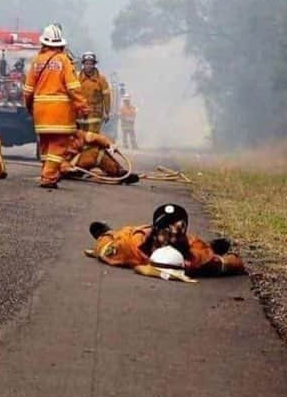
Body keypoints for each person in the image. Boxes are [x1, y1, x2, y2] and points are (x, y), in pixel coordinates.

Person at [85, 203, 247, 277]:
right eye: (166, 232)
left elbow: (232, 263)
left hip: (189, 250)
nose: (173, 237)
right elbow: (104, 249)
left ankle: (211, 244)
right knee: (109, 239)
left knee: (204, 248)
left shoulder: (192, 254)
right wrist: (105, 235)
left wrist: (218, 261)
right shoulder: (130, 247)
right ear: (156, 233)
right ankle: (108, 230)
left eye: (179, 231)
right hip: (128, 234)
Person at [22, 23, 90, 189]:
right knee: (58, 145)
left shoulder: (36, 61)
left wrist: (30, 108)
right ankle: (49, 177)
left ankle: (47, 171)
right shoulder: (63, 60)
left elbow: (27, 90)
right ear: (60, 44)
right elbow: (73, 88)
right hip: (60, 114)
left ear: (44, 43)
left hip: (40, 112)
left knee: (45, 145)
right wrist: (83, 106)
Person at [59, 129, 140, 184]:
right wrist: (65, 166)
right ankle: (119, 173)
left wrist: (109, 144)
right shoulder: (52, 135)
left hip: (72, 165)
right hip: (60, 168)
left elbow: (93, 137)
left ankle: (119, 172)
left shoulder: (74, 132)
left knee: (99, 148)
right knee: (96, 153)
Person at [77, 51, 111, 135]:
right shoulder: (77, 78)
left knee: (92, 136)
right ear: (83, 64)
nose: (88, 66)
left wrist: (107, 112)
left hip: (95, 113)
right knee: (81, 137)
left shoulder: (101, 79)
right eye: (86, 63)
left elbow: (106, 96)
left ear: (94, 64)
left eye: (90, 63)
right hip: (80, 114)